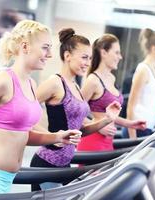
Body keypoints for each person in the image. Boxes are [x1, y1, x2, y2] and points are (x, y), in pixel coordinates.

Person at [0, 20, 82, 194]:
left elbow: (22, 135)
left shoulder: (31, 84)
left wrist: (56, 137)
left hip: (7, 178)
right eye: (45, 47)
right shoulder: (3, 81)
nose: (50, 54)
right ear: (25, 46)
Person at [30, 28, 121, 191]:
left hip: (64, 165)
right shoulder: (55, 83)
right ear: (67, 56)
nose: (87, 63)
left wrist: (107, 119)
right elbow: (23, 111)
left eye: (90, 58)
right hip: (46, 163)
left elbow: (80, 130)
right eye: (84, 57)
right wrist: (50, 136)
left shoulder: (76, 87)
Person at [77, 34, 146, 151]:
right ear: (103, 53)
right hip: (93, 141)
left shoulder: (111, 78)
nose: (120, 57)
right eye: (117, 52)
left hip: (108, 142)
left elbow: (109, 116)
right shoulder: (93, 81)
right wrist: (97, 127)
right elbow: (74, 111)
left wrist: (130, 124)